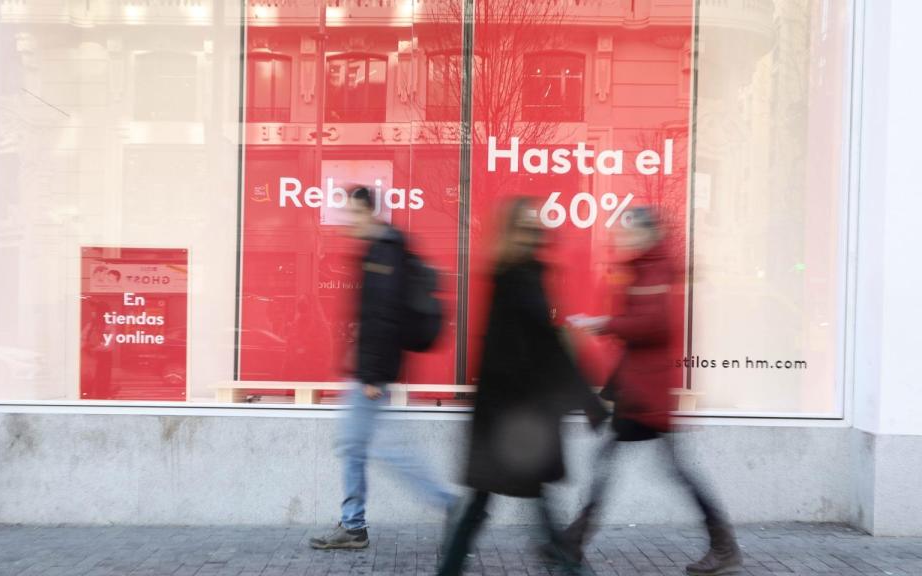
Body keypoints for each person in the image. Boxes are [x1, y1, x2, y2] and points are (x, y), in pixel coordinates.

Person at [563, 207, 742, 576]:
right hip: (639, 388)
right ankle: (574, 541)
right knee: (620, 463)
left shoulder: (657, 269)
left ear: (648, 234)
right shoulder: (644, 267)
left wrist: (605, 323)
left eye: (629, 232)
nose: (623, 238)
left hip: (648, 392)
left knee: (668, 470)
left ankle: (724, 546)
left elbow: (657, 324)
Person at [437, 197, 606, 576]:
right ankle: (569, 569)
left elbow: (537, 347)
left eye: (535, 227)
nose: (534, 234)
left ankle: (449, 570)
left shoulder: (510, 274)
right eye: (528, 228)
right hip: (516, 418)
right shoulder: (519, 279)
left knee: (495, 501)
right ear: (515, 232)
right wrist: (587, 400)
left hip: (506, 415)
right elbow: (547, 347)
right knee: (526, 500)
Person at [309, 186, 457, 550]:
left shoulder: (384, 251)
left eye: (353, 213)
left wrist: (373, 374)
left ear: (369, 212)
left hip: (372, 374)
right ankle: (355, 523)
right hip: (370, 369)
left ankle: (443, 503)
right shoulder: (380, 249)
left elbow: (383, 317)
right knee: (360, 446)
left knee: (375, 448)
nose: (348, 220)